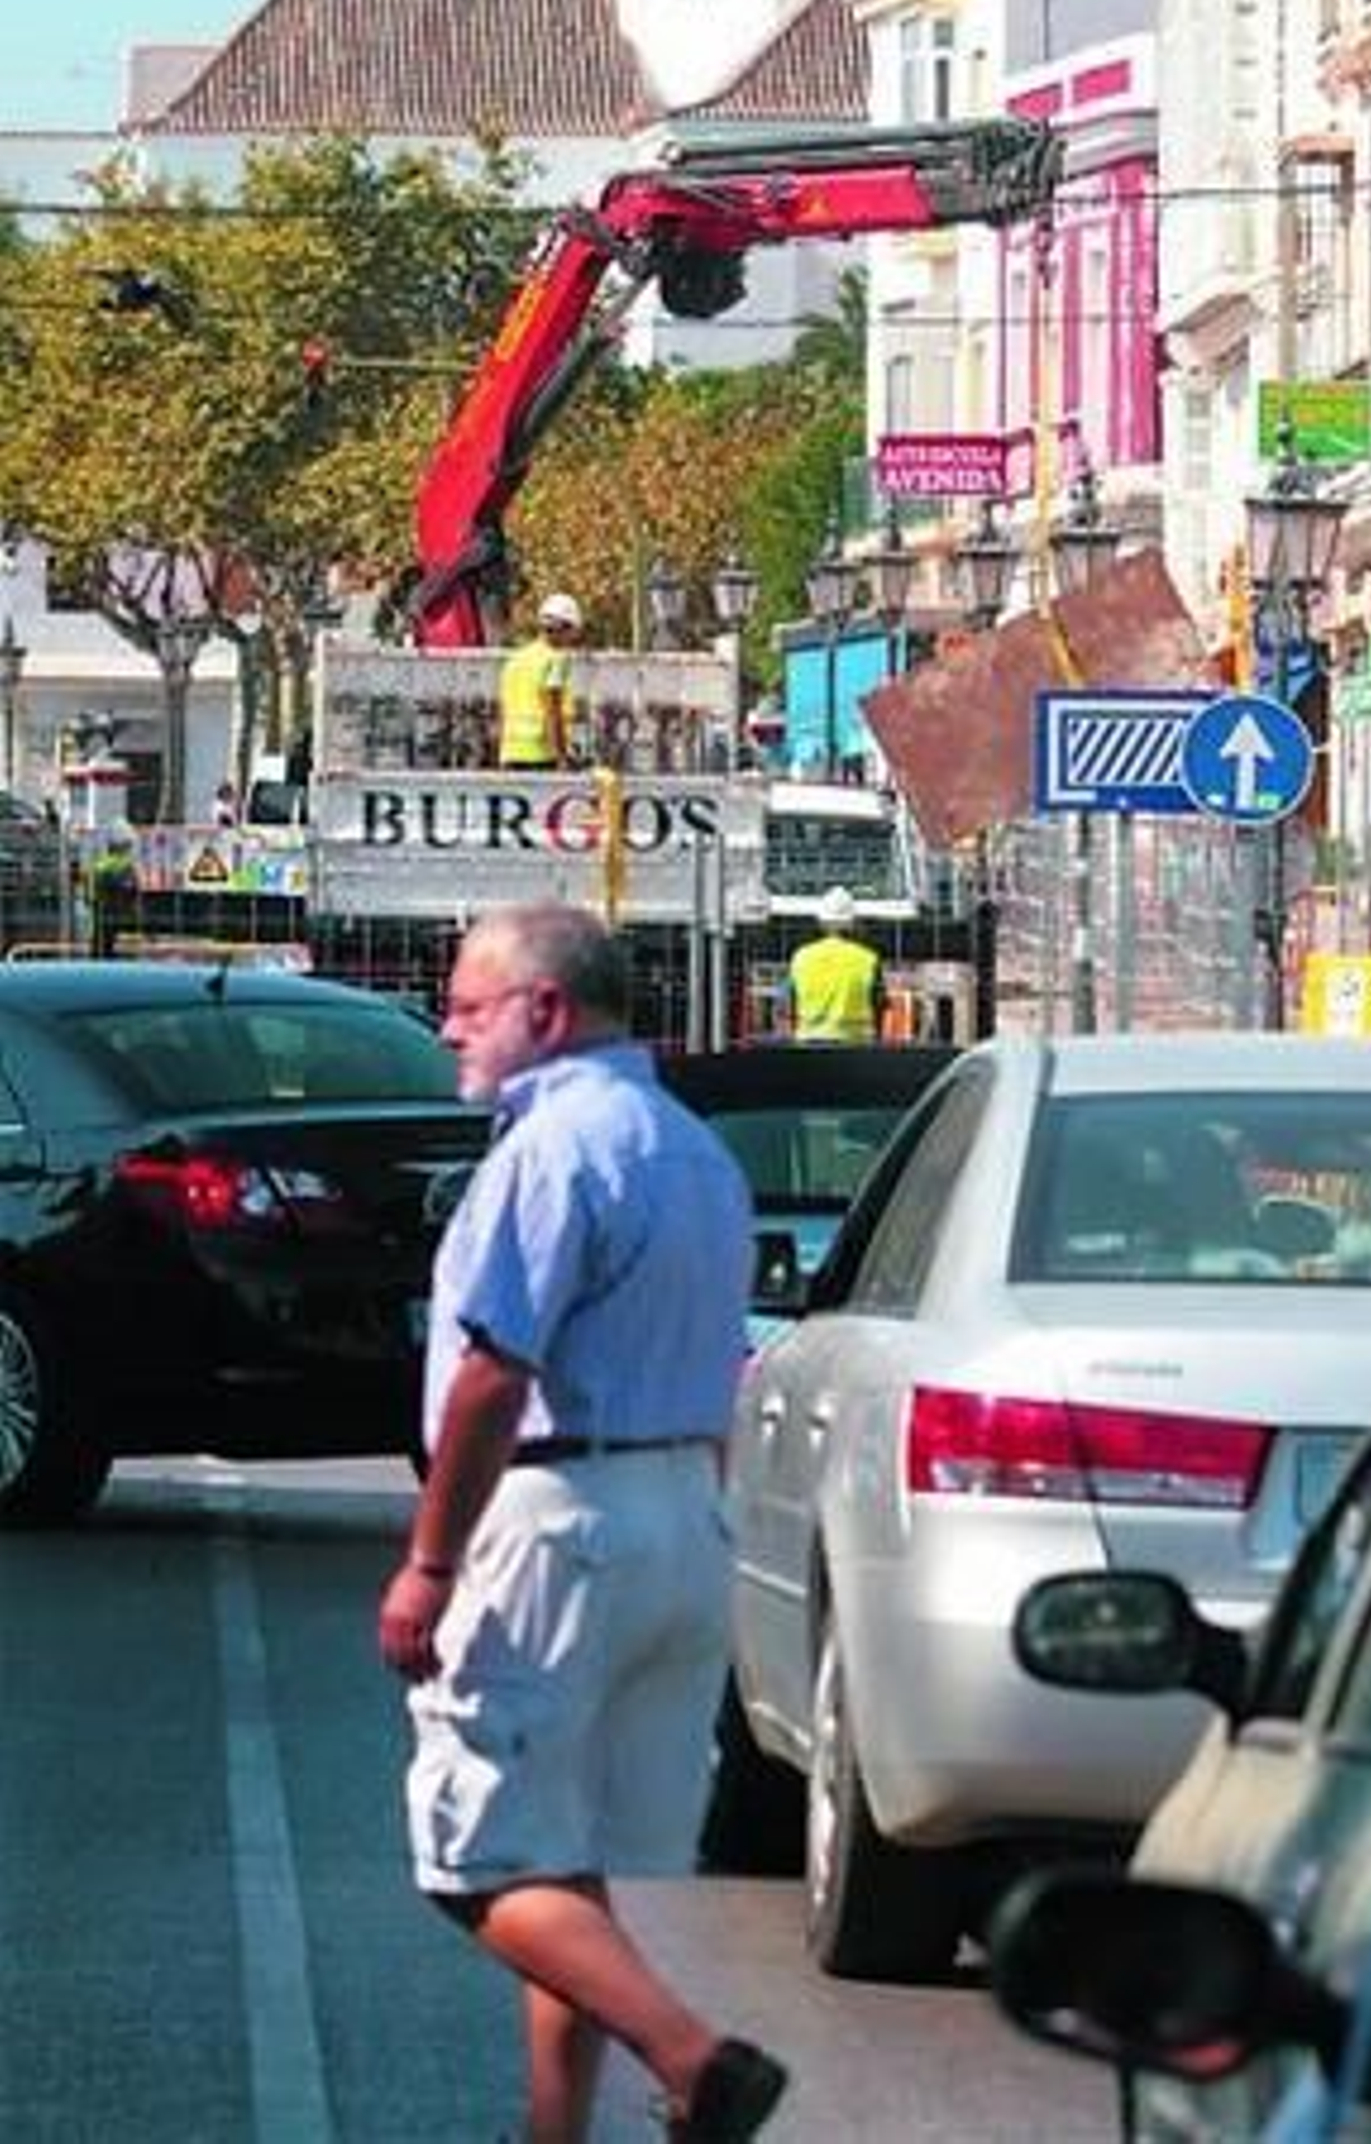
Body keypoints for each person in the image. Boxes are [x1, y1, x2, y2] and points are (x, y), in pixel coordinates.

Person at [377, 902, 787, 2144]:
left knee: (478, 1858)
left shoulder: (551, 1149)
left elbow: (493, 1372)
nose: (449, 1028)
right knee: (580, 1867)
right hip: (682, 1514)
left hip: (562, 1517)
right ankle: (555, 2132)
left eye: (467, 1005)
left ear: (545, 1010)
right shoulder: (695, 1152)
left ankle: (695, 2059)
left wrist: (430, 1561)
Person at [786, 883, 885, 1043]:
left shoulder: (800, 957)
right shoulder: (868, 959)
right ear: (852, 923)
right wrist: (876, 1039)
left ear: (821, 922)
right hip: (856, 1044)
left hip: (808, 1043)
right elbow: (878, 1003)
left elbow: (791, 1003)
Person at [499, 592, 583, 771]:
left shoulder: (514, 661)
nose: (572, 639)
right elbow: (552, 710)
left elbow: (504, 710)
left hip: (510, 754)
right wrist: (562, 756)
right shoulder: (555, 659)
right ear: (563, 628)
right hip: (542, 755)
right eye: (573, 632)